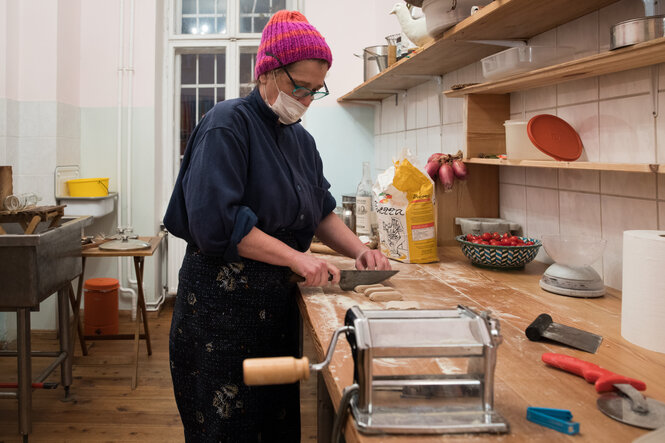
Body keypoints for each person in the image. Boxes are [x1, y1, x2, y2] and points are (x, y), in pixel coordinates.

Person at [163, 10, 391, 442]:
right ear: (266, 71)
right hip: (221, 311)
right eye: (297, 87)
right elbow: (219, 223)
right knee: (227, 430)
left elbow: (319, 211)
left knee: (274, 424)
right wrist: (296, 258)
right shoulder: (227, 125)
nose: (304, 100)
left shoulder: (300, 139)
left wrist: (358, 250)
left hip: (273, 306)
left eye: (314, 90)